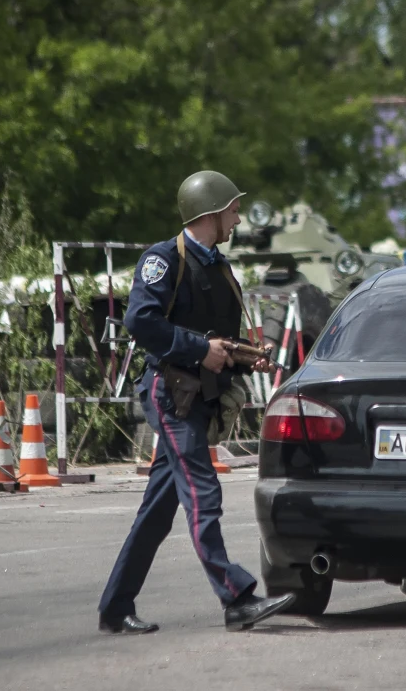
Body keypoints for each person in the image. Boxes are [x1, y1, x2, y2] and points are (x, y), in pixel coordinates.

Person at [97, 170, 294, 634]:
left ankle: (114, 607)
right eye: (232, 209)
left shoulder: (219, 266)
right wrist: (198, 349)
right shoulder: (163, 260)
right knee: (203, 491)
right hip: (170, 394)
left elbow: (217, 343)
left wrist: (248, 358)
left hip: (198, 396)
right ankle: (236, 597)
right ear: (210, 214)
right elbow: (141, 322)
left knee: (158, 510)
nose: (238, 217)